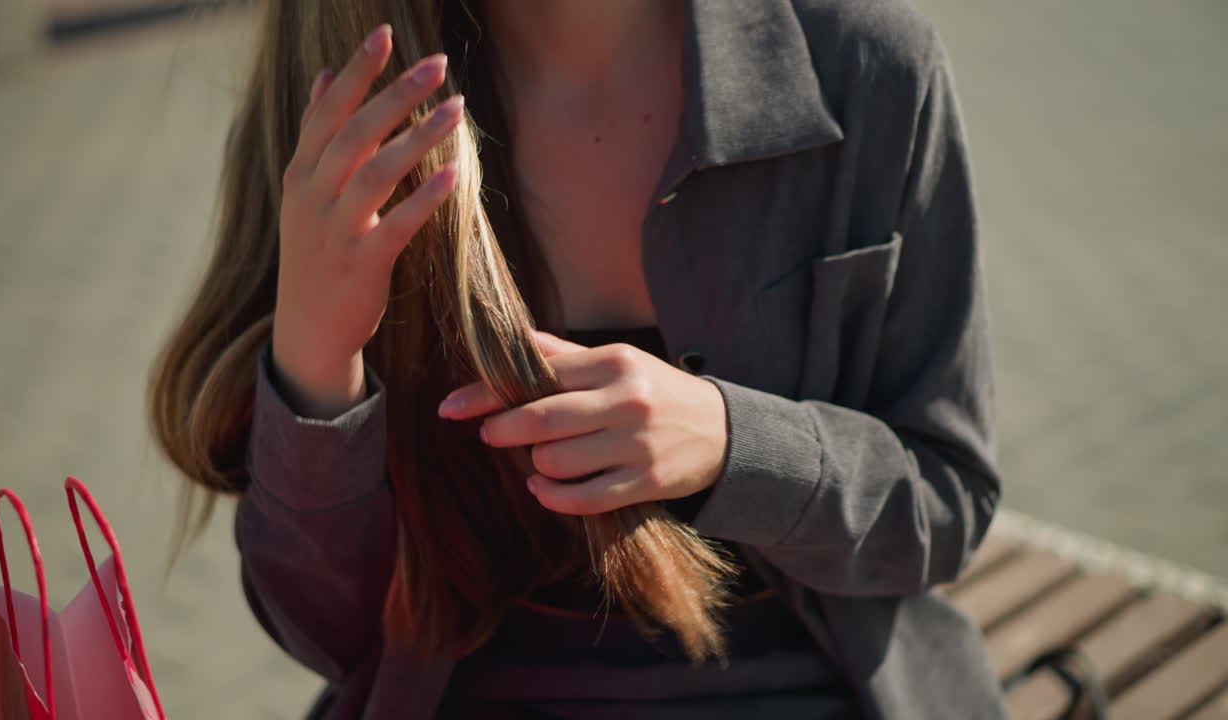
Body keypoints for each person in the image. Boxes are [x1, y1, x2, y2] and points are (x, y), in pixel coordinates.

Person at [150, 0, 1006, 717]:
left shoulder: (869, 66)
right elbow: (329, 637)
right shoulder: (337, 105)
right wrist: (316, 366)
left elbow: (943, 507)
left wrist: (733, 442)